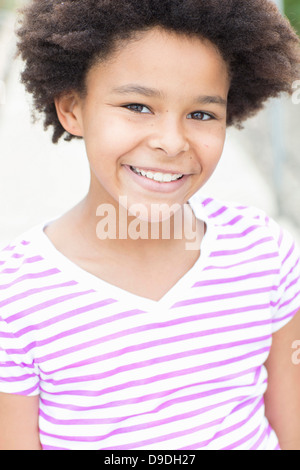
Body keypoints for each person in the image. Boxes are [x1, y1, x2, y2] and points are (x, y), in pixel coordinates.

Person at [0, 0, 300, 451]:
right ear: (72, 109)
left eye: (201, 114)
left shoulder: (264, 250)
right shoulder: (16, 292)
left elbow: (291, 420)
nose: (171, 142)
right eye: (138, 105)